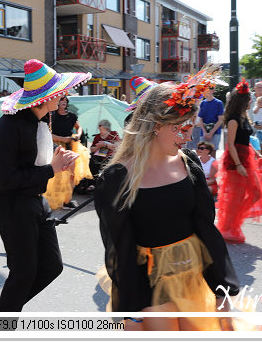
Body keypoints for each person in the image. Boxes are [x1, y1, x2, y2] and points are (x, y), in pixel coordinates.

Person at [93, 67, 241, 331]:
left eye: (189, 127)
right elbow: (120, 247)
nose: (187, 136)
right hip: (147, 283)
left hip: (194, 276)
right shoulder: (117, 178)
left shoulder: (190, 163)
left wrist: (222, 291)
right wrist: (130, 311)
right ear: (155, 126)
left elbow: (206, 229)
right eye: (178, 128)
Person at [0, 59, 90, 313]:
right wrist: (51, 169)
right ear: (47, 97)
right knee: (23, 271)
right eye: (59, 93)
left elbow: (34, 163)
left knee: (52, 266)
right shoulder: (9, 125)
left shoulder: (41, 121)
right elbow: (5, 179)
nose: (63, 96)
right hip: (13, 204)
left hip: (36, 200)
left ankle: (3, 311)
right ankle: (2, 326)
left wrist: (57, 163)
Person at [215, 80, 262, 244]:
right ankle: (228, 225)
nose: (251, 101)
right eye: (249, 99)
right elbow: (230, 144)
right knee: (236, 196)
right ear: (242, 101)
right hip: (236, 160)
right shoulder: (233, 119)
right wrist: (239, 165)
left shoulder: (244, 117)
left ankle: (232, 221)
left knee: (255, 193)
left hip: (246, 157)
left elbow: (245, 141)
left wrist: (257, 154)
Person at [46, 95, 92, 210]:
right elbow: (47, 134)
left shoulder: (71, 116)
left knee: (71, 175)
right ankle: (53, 198)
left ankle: (68, 200)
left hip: (70, 146)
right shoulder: (51, 115)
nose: (64, 102)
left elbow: (79, 128)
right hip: (56, 147)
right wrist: (62, 139)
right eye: (62, 100)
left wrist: (78, 135)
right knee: (56, 175)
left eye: (66, 100)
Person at [87, 119, 120, 189]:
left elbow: (117, 147)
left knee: (109, 163)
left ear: (107, 129)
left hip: (110, 154)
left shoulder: (113, 134)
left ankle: (104, 185)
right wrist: (98, 147)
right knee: (93, 161)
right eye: (99, 130)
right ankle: (93, 183)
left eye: (102, 130)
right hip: (100, 153)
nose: (100, 132)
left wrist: (105, 144)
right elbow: (92, 149)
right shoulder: (98, 136)